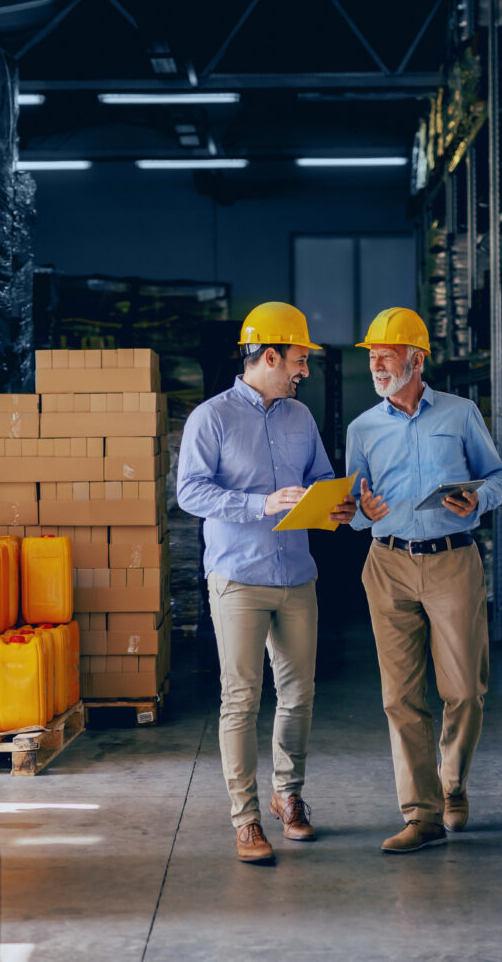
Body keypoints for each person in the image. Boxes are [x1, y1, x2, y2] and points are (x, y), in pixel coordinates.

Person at [177, 301, 357, 865]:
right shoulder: (211, 418)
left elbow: (321, 479)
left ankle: (288, 796)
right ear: (270, 356)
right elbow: (190, 492)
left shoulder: (300, 419)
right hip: (238, 576)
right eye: (299, 360)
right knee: (241, 698)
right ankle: (246, 818)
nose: (304, 371)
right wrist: (260, 503)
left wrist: (336, 505)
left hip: (297, 574)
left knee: (298, 694)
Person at [344, 307, 502, 854]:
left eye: (386, 354)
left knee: (464, 688)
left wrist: (477, 500)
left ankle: (453, 782)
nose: (376, 363)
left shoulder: (461, 415)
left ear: (416, 359)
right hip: (387, 562)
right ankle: (422, 814)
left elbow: (499, 475)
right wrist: (361, 511)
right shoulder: (362, 428)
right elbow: (354, 509)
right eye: (371, 355)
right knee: (400, 696)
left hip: (451, 560)